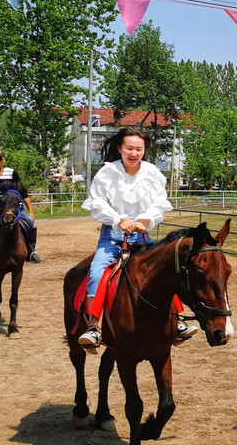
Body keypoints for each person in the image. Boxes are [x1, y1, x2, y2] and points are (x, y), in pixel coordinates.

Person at [78, 127, 198, 351]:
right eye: (129, 148)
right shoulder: (107, 173)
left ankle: (177, 321)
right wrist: (119, 220)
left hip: (142, 236)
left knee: (166, 271)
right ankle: (94, 325)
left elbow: (159, 202)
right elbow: (97, 202)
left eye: (138, 149)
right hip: (112, 236)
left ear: (144, 150)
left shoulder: (152, 172)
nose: (134, 153)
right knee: (97, 271)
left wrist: (145, 219)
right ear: (120, 149)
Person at [0, 147, 42, 266]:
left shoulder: (12, 173)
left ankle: (31, 251)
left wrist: (30, 210)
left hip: (11, 207)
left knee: (30, 221)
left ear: (4, 160)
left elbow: (23, 192)